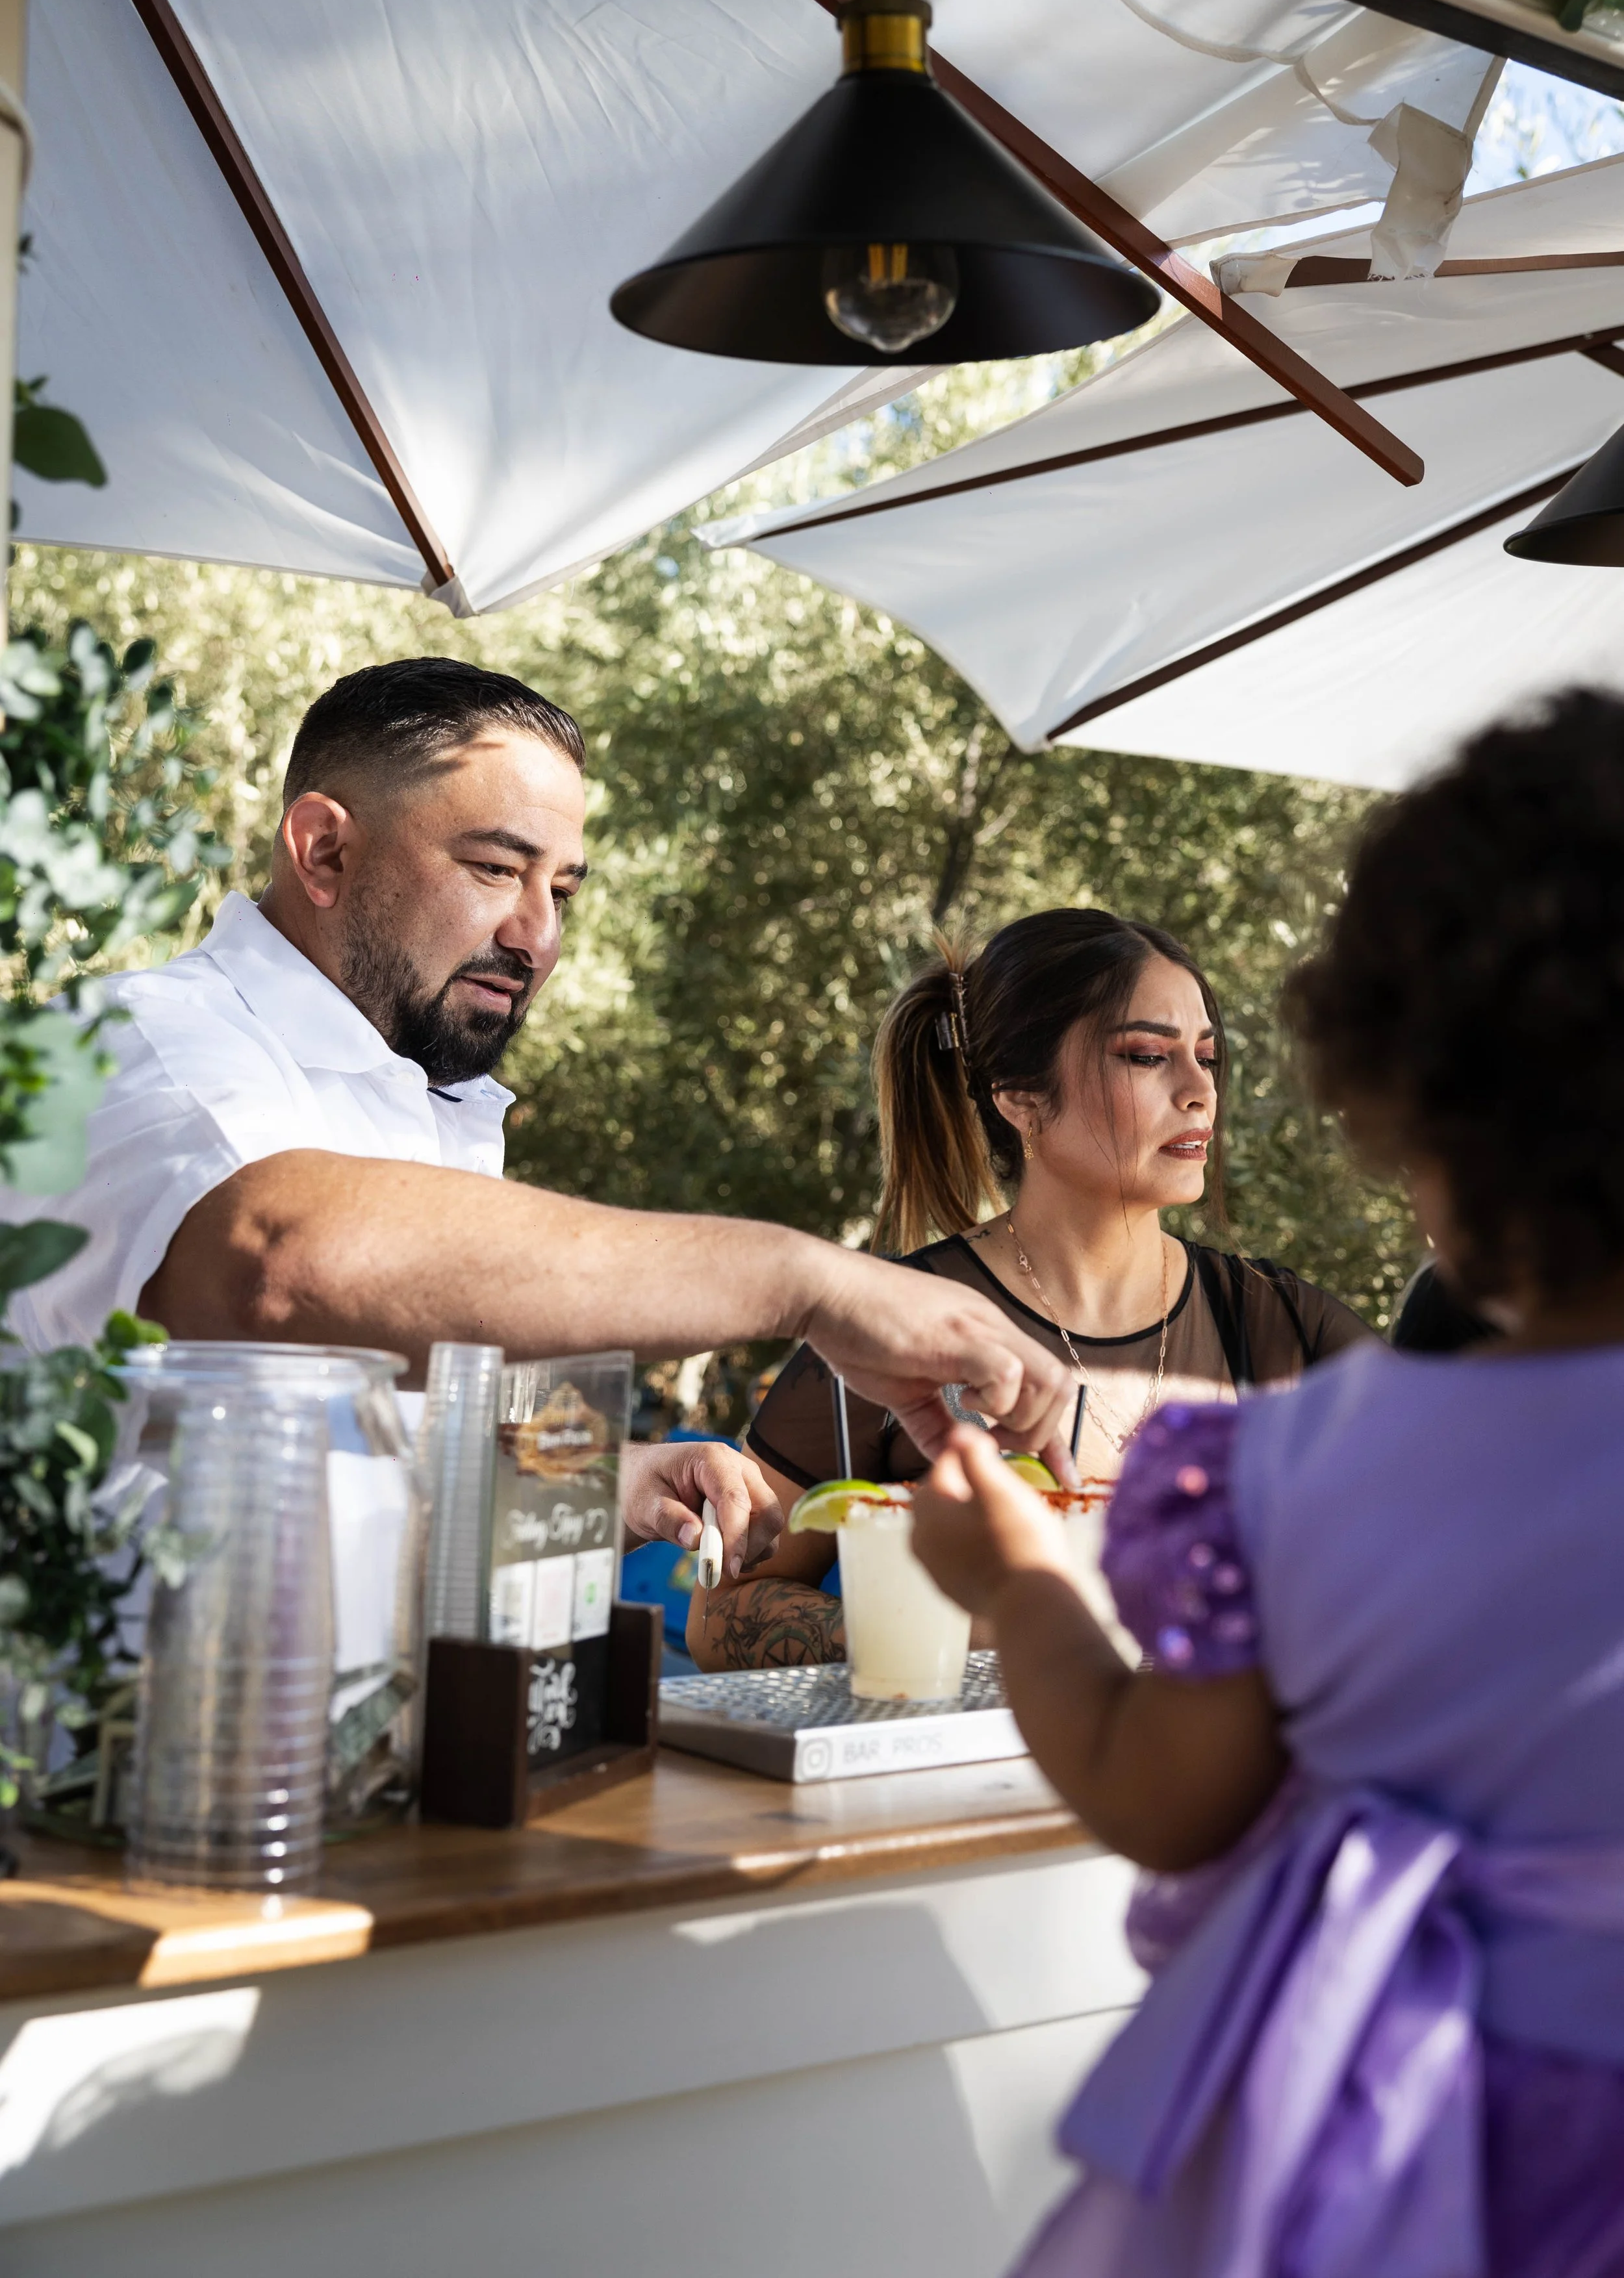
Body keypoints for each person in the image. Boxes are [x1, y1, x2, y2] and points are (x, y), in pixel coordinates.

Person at [912, 688, 1624, 2276]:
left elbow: (1161, 1795)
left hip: (1411, 2169)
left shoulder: (1296, 1462)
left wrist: (1017, 1582)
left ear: (1414, 1103)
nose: (1197, 1088)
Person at [0, 657, 1073, 1567]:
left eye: (561, 889)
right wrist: (809, 1282)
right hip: (95, 1796)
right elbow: (280, 1261)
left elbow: (342, 1420)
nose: (536, 936)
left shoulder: (434, 1105)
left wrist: (601, 1475)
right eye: (496, 868)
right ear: (325, 850)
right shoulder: (134, 1041)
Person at [688, 907, 1369, 1669]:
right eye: (1148, 1055)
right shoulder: (893, 1325)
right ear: (1019, 1097)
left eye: (1206, 1057)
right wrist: (943, 1640)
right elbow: (722, 1612)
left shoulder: (1285, 1326)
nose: (1198, 1091)